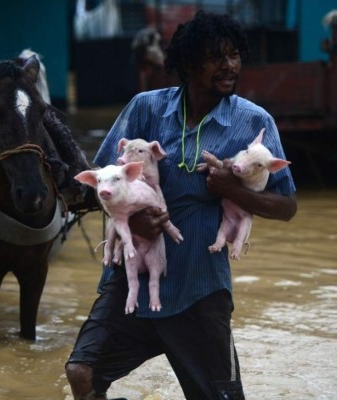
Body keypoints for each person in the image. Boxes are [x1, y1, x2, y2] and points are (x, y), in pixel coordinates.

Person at [65, 11, 297, 400]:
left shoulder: (254, 122)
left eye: (235, 56)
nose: (230, 66)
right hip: (131, 283)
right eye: (216, 57)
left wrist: (233, 189)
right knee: (81, 373)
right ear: (188, 64)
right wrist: (134, 221)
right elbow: (99, 181)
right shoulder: (145, 108)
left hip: (200, 288)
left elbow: (286, 206)